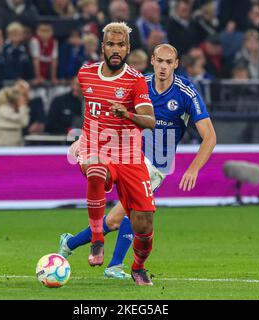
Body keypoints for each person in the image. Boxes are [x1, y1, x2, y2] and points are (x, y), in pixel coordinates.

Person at [59, 44, 216, 282]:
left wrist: (193, 169)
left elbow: (210, 137)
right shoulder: (138, 83)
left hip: (157, 165)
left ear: (176, 64)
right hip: (128, 155)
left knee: (115, 218)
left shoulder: (186, 92)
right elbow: (105, 113)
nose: (163, 67)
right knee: (123, 212)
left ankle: (71, 244)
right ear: (152, 60)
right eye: (159, 61)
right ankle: (113, 265)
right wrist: (84, 139)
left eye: (168, 62)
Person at [68, 22, 158, 286]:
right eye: (111, 44)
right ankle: (97, 239)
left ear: (128, 48)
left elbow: (150, 120)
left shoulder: (135, 79)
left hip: (130, 156)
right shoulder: (85, 73)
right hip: (96, 149)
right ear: (103, 47)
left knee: (144, 225)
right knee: (95, 169)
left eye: (121, 45)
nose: (115, 50)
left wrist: (127, 114)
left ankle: (138, 266)